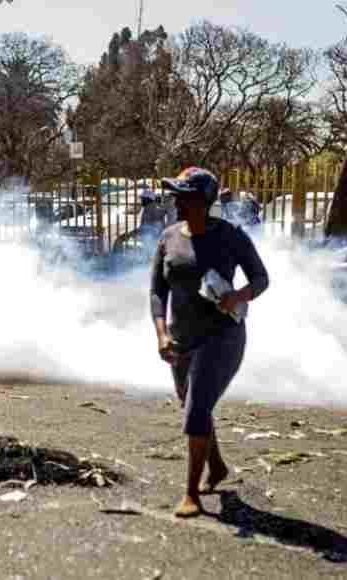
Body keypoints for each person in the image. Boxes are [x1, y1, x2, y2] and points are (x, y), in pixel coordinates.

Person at [150, 167, 270, 518]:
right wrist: (162, 334)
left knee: (198, 407)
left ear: (203, 201)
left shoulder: (230, 236)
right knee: (192, 403)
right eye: (175, 196)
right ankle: (216, 466)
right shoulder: (169, 237)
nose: (176, 203)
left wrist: (239, 296)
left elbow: (261, 278)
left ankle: (191, 494)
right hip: (181, 338)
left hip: (222, 337)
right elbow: (157, 291)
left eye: (184, 197)